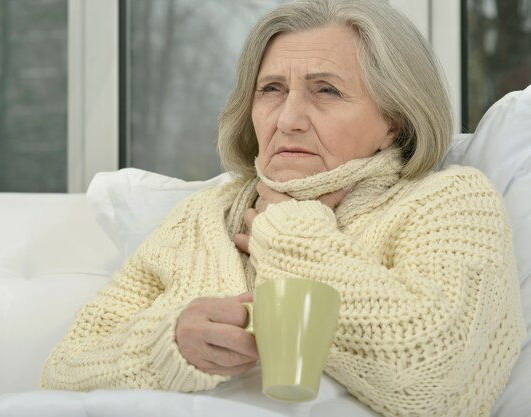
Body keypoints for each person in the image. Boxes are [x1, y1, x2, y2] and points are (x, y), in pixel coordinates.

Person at [40, 0, 525, 415]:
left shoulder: (447, 202)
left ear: (395, 121)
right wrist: (168, 346)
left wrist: (289, 233)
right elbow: (62, 375)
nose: (288, 119)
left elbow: (441, 380)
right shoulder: (202, 216)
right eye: (271, 89)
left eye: (326, 90)